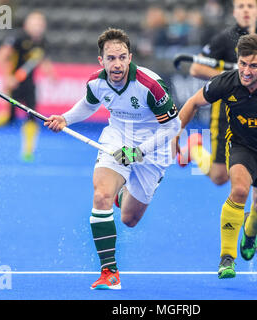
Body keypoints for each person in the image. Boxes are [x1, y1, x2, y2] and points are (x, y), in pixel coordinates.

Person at [44, 28, 180, 290]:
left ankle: (123, 193)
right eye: (110, 58)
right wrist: (65, 118)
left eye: (121, 57)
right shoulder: (96, 81)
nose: (116, 64)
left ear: (130, 58)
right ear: (101, 61)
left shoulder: (150, 85)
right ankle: (110, 272)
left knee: (129, 218)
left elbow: (172, 128)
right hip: (117, 137)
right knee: (101, 196)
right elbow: (89, 104)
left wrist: (139, 153)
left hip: (152, 147)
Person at [174, 34, 257, 279]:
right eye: (242, 64)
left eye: (253, 66)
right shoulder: (226, 82)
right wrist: (175, 134)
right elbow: (193, 103)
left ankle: (250, 232)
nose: (246, 71)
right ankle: (227, 258)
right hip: (240, 146)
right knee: (238, 191)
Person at [178, 0, 257, 250]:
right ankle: (195, 149)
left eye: (250, 6)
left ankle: (256, 229)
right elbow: (196, 68)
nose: (245, 10)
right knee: (220, 177)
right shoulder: (225, 38)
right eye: (240, 6)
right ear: (234, 11)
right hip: (227, 112)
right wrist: (235, 77)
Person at [0, 11, 55, 162]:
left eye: (41, 24)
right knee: (10, 118)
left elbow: (43, 60)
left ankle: (28, 151)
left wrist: (51, 74)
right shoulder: (17, 37)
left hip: (30, 85)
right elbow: (0, 56)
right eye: (35, 24)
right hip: (14, 84)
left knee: (32, 116)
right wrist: (7, 77)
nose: (38, 27)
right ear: (27, 25)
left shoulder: (42, 41)